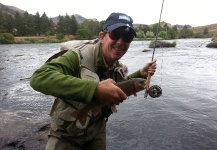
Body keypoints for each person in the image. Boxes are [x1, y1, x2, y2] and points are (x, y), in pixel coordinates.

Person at [30, 12, 157, 150]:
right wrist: (94, 89)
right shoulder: (75, 56)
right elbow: (39, 78)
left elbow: (121, 85)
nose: (120, 42)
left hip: (97, 133)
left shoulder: (117, 66)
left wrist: (140, 74)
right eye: (115, 34)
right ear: (102, 36)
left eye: (127, 37)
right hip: (66, 137)